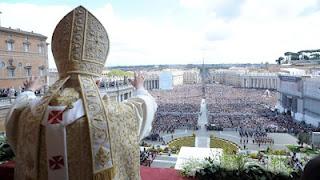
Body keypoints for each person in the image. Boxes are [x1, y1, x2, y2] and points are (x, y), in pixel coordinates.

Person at [5, 6, 157, 180]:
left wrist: (30, 90)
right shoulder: (113, 115)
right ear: (97, 82)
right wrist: (139, 87)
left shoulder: (30, 115)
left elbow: (16, 112)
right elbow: (143, 107)